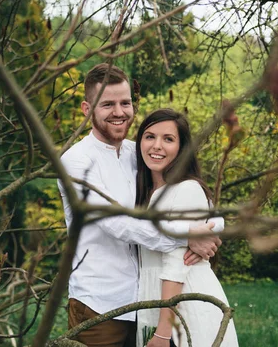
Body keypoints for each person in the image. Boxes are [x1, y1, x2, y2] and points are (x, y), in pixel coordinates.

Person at [58, 64, 223, 347]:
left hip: (143, 301)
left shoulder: (138, 153)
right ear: (87, 109)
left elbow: (193, 196)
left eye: (125, 103)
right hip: (100, 304)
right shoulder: (76, 163)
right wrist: (187, 236)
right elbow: (116, 223)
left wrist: (214, 226)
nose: (119, 112)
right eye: (107, 104)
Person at [135, 108, 239, 347]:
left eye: (168, 139)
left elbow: (176, 265)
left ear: (182, 149)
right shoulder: (148, 192)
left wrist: (163, 332)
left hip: (185, 309)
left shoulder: (186, 189)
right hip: (160, 306)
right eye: (150, 136)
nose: (156, 146)